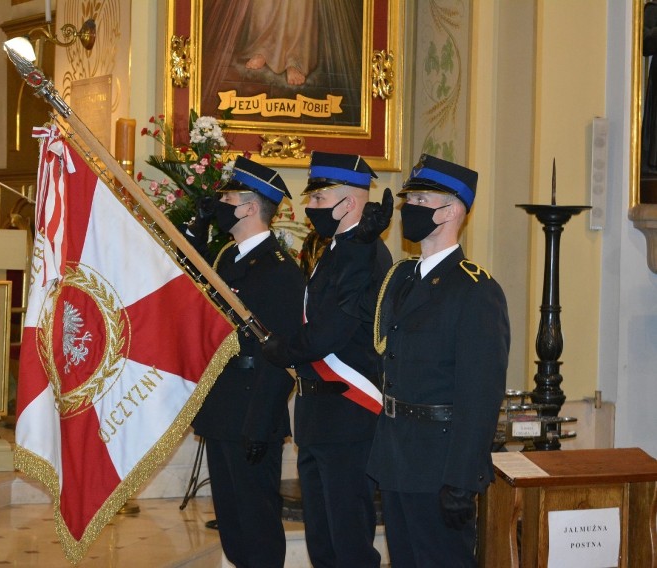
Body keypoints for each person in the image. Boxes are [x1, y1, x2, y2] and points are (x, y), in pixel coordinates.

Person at [367, 154, 510, 567]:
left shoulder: (476, 291)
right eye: (410, 201)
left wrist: (463, 480)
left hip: (439, 465)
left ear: (450, 211)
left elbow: (480, 394)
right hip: (397, 457)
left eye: (421, 201)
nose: (409, 209)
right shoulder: (404, 278)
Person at [262, 151, 393, 567]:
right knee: (323, 541)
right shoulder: (335, 250)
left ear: (348, 204)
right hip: (319, 412)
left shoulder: (365, 253)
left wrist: (282, 348)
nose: (309, 208)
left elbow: (332, 330)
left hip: (349, 411)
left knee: (349, 541)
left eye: (319, 200)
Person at [187, 157, 306, 568]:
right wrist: (197, 233)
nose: (221, 203)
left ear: (251, 207)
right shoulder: (226, 258)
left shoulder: (280, 271)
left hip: (253, 411)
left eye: (228, 197)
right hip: (223, 406)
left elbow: (280, 354)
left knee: (256, 526)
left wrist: (260, 422)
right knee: (234, 525)